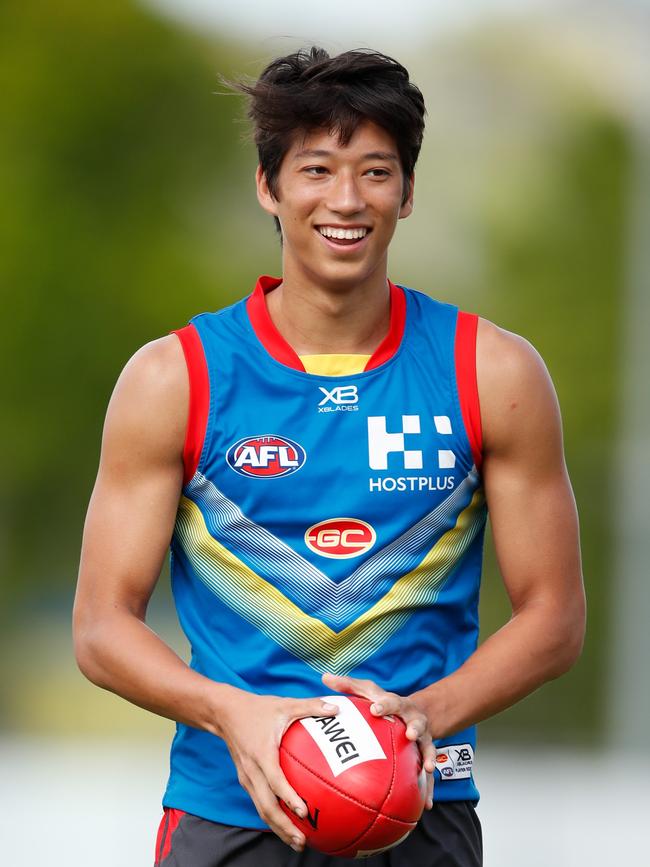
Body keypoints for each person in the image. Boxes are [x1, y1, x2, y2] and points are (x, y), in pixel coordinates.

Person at [73, 47, 585, 867]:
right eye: (317, 169)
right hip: (230, 810)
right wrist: (232, 713)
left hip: (424, 807)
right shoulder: (174, 378)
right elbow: (101, 629)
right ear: (268, 186)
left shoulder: (492, 372)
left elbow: (555, 619)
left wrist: (426, 712)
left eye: (375, 172)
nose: (346, 200)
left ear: (409, 192)